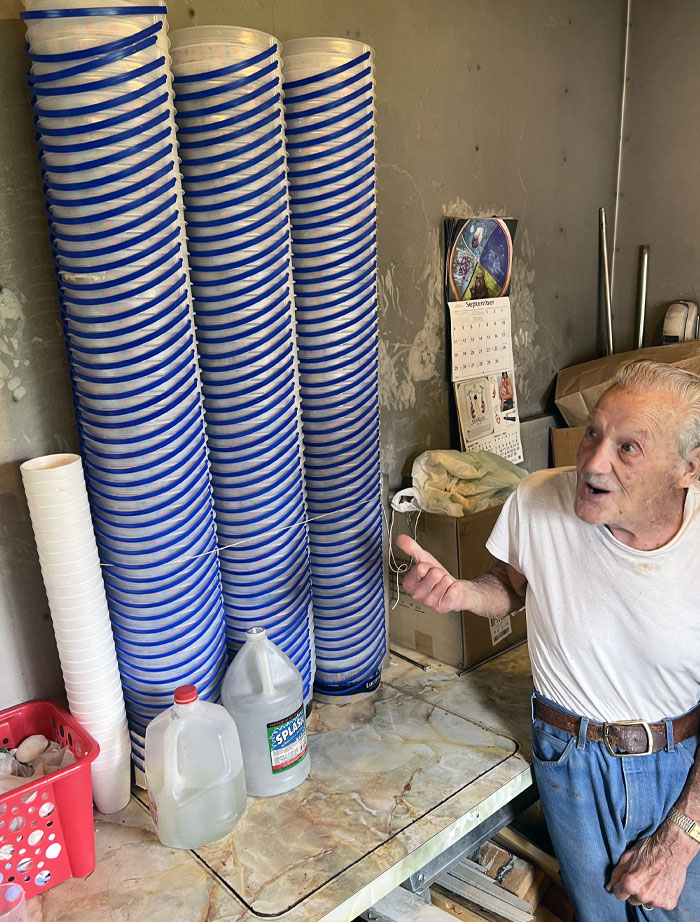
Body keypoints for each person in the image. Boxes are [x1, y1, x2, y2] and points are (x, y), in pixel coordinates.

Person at [396, 360, 700, 921]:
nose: (592, 459)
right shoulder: (536, 499)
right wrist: (460, 594)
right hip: (569, 759)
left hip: (681, 772)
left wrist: (681, 839)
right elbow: (510, 587)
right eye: (592, 432)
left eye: (627, 447)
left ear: (689, 468)